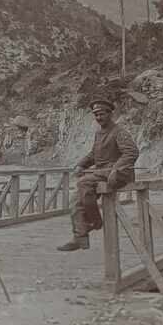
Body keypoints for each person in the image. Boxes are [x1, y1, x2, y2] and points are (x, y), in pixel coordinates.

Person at [57, 99, 138, 251]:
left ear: (110, 114)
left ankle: (95, 221)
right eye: (96, 115)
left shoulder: (119, 132)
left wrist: (116, 168)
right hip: (102, 173)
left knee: (83, 183)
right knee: (76, 200)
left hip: (118, 173)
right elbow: (93, 154)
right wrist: (81, 164)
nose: (99, 118)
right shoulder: (99, 134)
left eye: (102, 114)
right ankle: (80, 238)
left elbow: (131, 152)